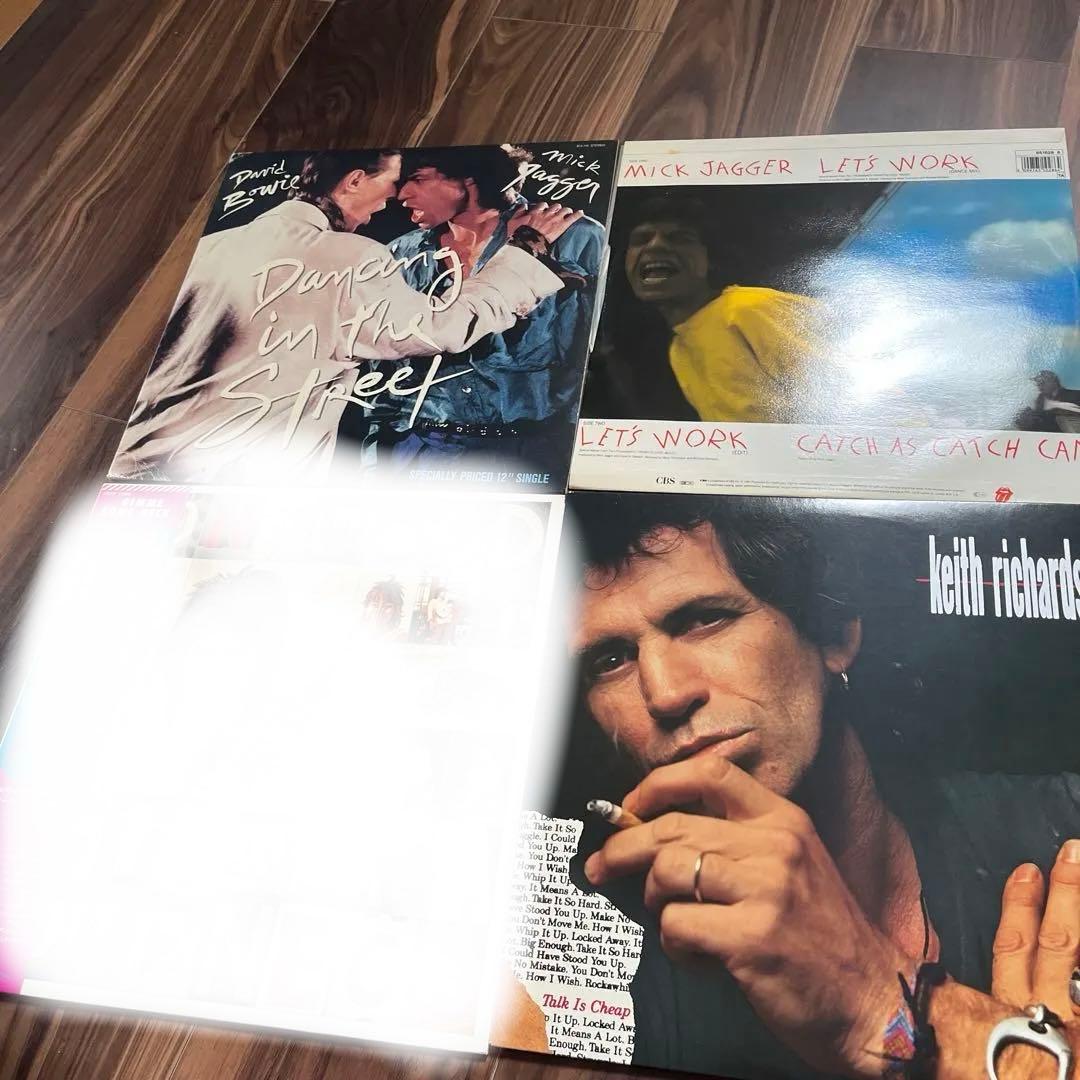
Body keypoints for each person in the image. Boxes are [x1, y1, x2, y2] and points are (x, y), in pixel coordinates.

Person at [568, 493, 1080, 1079]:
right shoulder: (602, 962)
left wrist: (879, 1006)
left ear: (834, 635)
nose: (663, 694)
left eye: (704, 619)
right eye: (610, 660)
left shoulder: (1062, 828)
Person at [112, 150, 582, 481]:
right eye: (390, 182)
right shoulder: (354, 257)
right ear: (354, 180)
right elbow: (441, 328)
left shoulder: (208, 248)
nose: (391, 198)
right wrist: (526, 253)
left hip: (135, 462)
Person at [356, 145, 604, 466]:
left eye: (418, 179)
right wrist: (375, 459)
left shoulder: (575, 237)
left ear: (469, 179)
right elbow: (381, 371)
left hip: (529, 450)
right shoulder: (400, 253)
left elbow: (595, 355)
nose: (401, 194)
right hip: (422, 449)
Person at [585, 196, 822, 423]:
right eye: (641, 239)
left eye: (680, 238)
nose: (655, 245)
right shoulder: (678, 351)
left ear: (710, 259)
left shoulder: (750, 307)